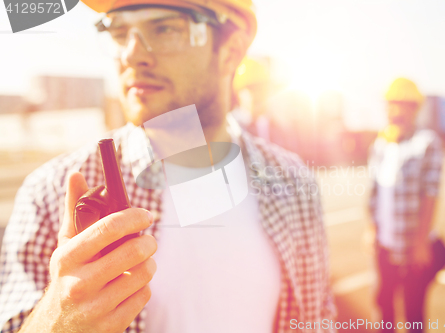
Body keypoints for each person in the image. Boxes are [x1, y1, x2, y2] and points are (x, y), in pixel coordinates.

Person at [0, 0, 336, 332]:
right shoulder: (54, 193)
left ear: (231, 51)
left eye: (165, 29)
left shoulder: (293, 183)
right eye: (119, 31)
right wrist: (56, 322)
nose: (131, 54)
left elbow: (317, 317)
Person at [365, 78, 443, 332]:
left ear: (413, 108)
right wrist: (371, 229)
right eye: (390, 104)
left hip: (412, 246)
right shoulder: (380, 144)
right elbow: (372, 193)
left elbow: (430, 193)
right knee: (383, 305)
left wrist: (421, 241)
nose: (392, 110)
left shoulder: (427, 142)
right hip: (385, 246)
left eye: (399, 104)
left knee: (413, 312)